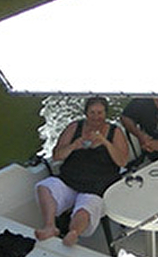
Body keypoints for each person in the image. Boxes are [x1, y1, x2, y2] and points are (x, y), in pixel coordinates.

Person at [34, 96, 128, 247]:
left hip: (98, 185)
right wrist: (74, 146)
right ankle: (50, 226)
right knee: (44, 187)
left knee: (85, 208)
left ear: (106, 113)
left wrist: (105, 142)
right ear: (86, 113)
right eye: (92, 112)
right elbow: (57, 155)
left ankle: (74, 233)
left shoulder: (115, 132)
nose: (96, 117)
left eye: (100, 113)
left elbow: (122, 161)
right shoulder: (74, 127)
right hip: (70, 179)